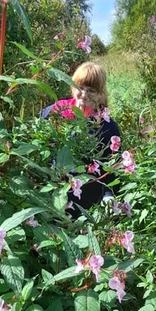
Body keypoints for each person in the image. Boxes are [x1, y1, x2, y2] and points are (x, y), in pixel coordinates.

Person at [42, 62, 121, 216]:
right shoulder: (57, 110)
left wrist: (108, 194)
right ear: (73, 87)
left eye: (91, 90)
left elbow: (112, 164)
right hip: (53, 188)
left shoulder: (107, 126)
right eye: (80, 88)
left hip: (89, 195)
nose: (84, 94)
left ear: (100, 94)